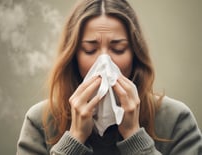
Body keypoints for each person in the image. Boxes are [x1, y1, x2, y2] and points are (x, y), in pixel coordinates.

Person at [16, 0, 202, 154]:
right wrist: (74, 139)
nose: (104, 62)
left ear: (135, 54)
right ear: (73, 55)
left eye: (118, 49)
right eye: (90, 49)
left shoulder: (176, 120)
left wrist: (134, 136)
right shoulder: (40, 122)